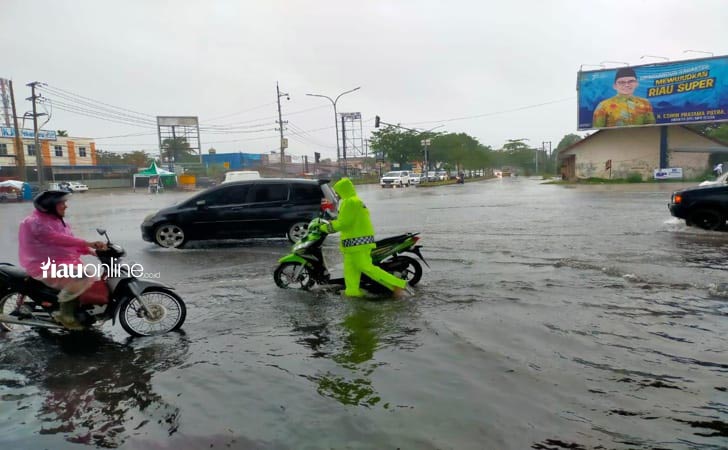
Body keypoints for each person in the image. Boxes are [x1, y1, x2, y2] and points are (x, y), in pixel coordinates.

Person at [18, 190, 106, 329]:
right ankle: (65, 314)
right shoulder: (35, 223)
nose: (66, 206)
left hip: (60, 261)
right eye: (62, 203)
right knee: (83, 276)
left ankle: (79, 310)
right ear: (50, 206)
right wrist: (88, 243)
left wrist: (93, 251)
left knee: (91, 277)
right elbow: (58, 239)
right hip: (43, 265)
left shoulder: (57, 221)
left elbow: (69, 244)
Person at [320, 178, 408, 298]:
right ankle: (352, 292)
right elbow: (348, 221)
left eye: (338, 191)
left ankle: (398, 284)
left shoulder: (349, 202)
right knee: (350, 270)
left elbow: (343, 223)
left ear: (343, 190)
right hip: (354, 243)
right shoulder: (356, 201)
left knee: (365, 267)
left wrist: (325, 228)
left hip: (357, 243)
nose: (337, 194)